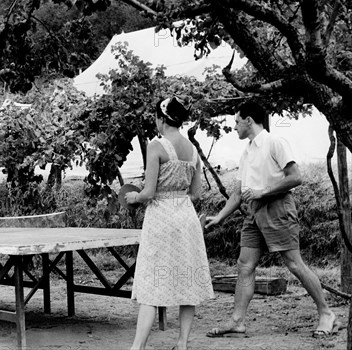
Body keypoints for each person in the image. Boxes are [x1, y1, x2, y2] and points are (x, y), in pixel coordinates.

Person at [205, 101, 339, 338]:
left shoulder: (274, 142)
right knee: (245, 265)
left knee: (294, 264)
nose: (234, 126)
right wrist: (220, 218)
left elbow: (295, 177)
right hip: (253, 212)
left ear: (249, 120)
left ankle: (327, 313)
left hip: (278, 207)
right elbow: (237, 193)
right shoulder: (246, 152)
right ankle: (237, 321)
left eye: (237, 121)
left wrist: (263, 191)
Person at [125, 97, 214, 350]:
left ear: (161, 119)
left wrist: (134, 196)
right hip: (185, 217)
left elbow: (149, 193)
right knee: (187, 279)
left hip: (161, 218)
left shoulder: (156, 145)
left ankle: (137, 347)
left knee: (152, 282)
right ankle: (182, 343)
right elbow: (196, 194)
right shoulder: (193, 150)